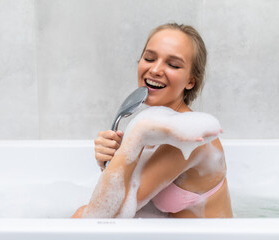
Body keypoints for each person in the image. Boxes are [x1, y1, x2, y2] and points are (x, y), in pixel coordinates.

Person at [72, 23, 233, 218]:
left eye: (173, 65)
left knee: (79, 216)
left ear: (191, 81)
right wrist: (109, 161)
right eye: (149, 58)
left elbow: (103, 217)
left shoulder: (191, 138)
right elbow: (114, 203)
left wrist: (138, 135)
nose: (155, 69)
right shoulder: (159, 127)